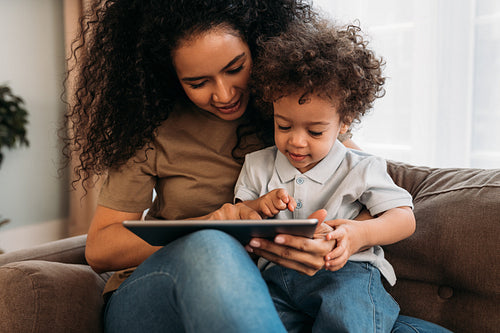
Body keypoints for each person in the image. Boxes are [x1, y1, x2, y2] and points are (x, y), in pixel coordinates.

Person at [63, 0, 452, 332]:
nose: (224, 93)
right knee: (212, 244)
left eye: (235, 68)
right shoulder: (149, 127)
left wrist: (331, 240)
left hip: (273, 290)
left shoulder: (293, 107)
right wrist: (211, 226)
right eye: (197, 82)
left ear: (259, 44)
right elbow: (101, 248)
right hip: (156, 295)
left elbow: (356, 185)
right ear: (169, 76)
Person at [235, 19, 415, 332]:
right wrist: (258, 206)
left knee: (349, 321)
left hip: (345, 274)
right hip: (274, 280)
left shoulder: (360, 166)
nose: (296, 141)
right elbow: (236, 219)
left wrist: (359, 235)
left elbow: (403, 217)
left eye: (315, 131)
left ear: (344, 122)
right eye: (284, 126)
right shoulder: (257, 165)